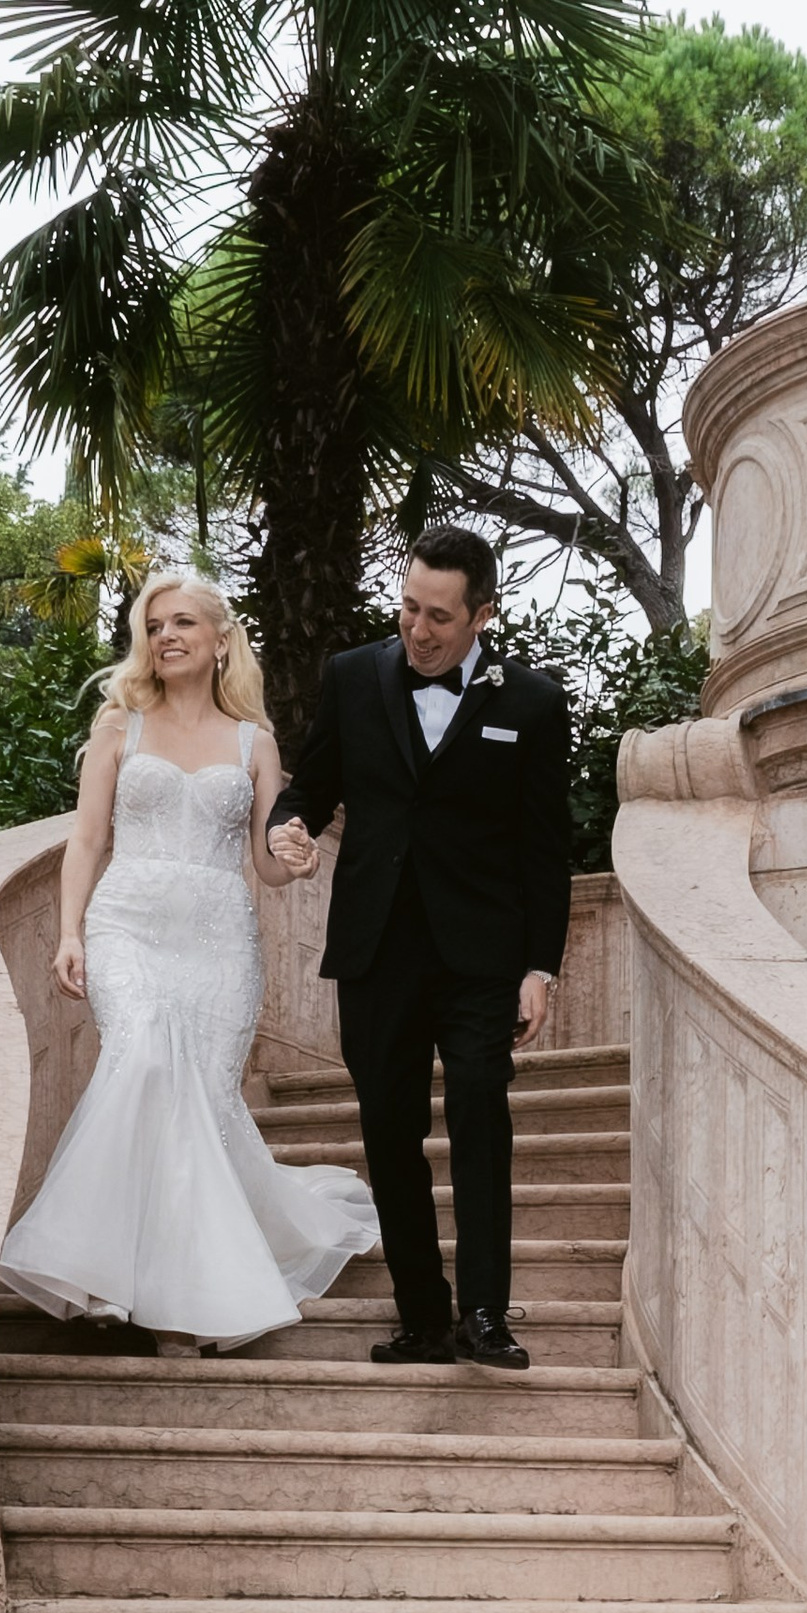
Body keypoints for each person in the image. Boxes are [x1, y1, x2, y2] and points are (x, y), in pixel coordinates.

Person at [0, 572, 379, 1355]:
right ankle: (113, 1275)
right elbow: (88, 840)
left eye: (182, 624)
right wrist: (69, 933)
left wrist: (295, 856)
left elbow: (269, 861)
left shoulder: (254, 743)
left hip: (218, 943)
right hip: (128, 927)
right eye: (155, 625)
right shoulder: (119, 730)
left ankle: (184, 1298)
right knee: (140, 1066)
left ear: (219, 640)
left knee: (198, 1103)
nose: (166, 636)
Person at [266, 526, 570, 1372]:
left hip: (481, 957)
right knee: (389, 1131)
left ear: (482, 616)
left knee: (480, 1113)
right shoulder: (353, 677)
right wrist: (285, 827)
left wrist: (539, 964)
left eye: (439, 616)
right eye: (408, 607)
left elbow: (546, 849)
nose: (418, 629)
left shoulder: (533, 704)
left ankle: (483, 1313)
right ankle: (421, 1316)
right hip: (376, 950)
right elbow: (306, 787)